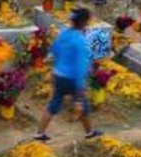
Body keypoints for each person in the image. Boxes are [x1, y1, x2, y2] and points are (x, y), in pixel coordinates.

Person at [35, 8, 103, 142]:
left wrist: (58, 66)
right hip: (72, 79)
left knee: (53, 104)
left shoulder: (64, 33)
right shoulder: (81, 42)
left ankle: (39, 133)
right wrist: (79, 92)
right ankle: (89, 132)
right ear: (84, 23)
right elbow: (80, 68)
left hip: (58, 75)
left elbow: (54, 50)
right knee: (83, 106)